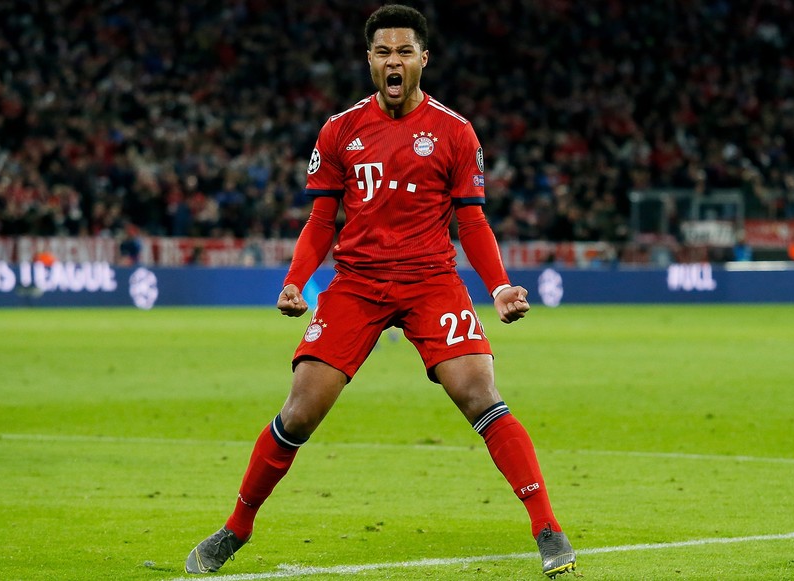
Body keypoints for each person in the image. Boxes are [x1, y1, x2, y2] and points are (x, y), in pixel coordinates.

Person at [184, 5, 576, 578]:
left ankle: (547, 527)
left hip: (431, 283)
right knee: (298, 413)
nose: (394, 60)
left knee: (480, 395)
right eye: (383, 51)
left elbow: (471, 221)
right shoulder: (340, 129)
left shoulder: (456, 131)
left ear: (423, 58)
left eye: (404, 51)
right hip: (357, 285)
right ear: (370, 60)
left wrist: (499, 287)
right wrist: (295, 281)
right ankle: (233, 531)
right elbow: (322, 221)